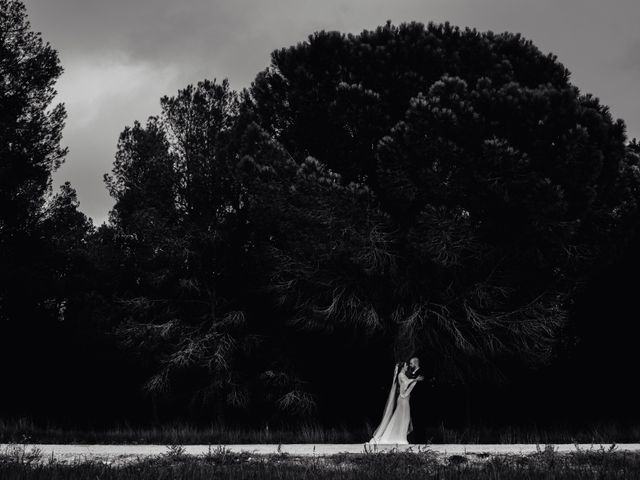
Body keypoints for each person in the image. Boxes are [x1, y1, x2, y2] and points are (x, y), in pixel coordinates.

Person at [368, 360, 424, 444]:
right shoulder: (401, 375)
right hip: (402, 400)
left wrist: (414, 380)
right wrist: (415, 379)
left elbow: (407, 382)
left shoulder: (403, 375)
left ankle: (401, 437)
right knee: (401, 418)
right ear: (402, 367)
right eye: (405, 366)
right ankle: (398, 438)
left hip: (405, 399)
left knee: (404, 418)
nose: (407, 367)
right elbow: (405, 383)